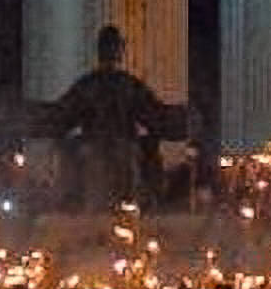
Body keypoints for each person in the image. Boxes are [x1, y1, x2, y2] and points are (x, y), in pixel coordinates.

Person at [36, 26, 184, 212]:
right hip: (116, 153)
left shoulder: (92, 85)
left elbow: (60, 117)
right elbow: (156, 117)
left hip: (102, 153)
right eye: (115, 47)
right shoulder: (127, 85)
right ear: (118, 51)